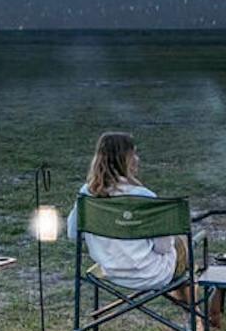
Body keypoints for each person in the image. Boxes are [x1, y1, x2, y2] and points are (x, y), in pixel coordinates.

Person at [65, 131, 196, 305]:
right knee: (183, 243)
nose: (137, 158)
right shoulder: (144, 196)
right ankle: (197, 314)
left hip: (110, 271)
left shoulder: (87, 195)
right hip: (152, 274)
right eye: (134, 153)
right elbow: (163, 248)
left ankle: (186, 301)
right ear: (126, 159)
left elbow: (73, 234)